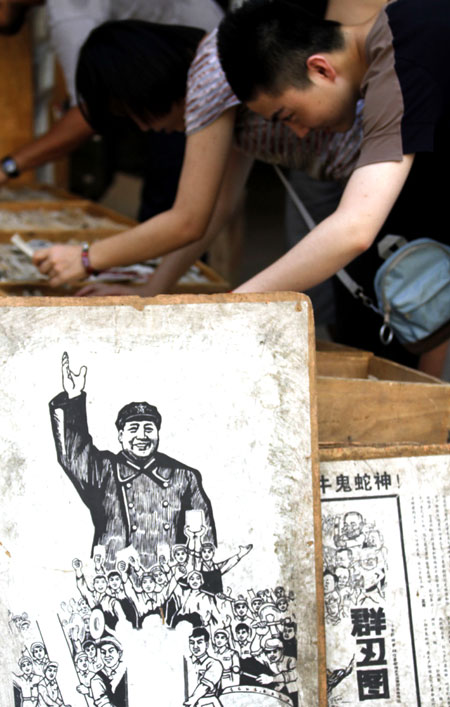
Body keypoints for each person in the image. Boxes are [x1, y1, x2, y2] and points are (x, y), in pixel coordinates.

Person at [32, 1, 379, 295]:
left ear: (139, 82)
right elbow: (216, 209)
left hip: (379, 171)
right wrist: (151, 291)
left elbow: (187, 221)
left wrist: (87, 258)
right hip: (362, 180)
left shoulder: (209, 76)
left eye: (131, 113)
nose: (144, 128)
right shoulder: (221, 79)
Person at [217, 0, 450, 372]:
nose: (299, 132)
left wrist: (231, 304)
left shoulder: (397, 64)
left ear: (321, 68)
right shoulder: (404, 26)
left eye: (288, 115)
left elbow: (355, 229)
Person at [0, 0, 223, 214]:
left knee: (171, 205)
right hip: (197, 65)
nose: (143, 127)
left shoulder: (69, 12)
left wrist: (8, 167)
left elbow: (86, 115)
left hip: (192, 77)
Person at [49, 351, 216, 569]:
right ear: (120, 436)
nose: (142, 436)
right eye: (134, 429)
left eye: (149, 429)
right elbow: (73, 454)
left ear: (158, 433)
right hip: (115, 579)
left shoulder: (184, 477)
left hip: (169, 580)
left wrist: (202, 582)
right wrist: (74, 399)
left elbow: (204, 539)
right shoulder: (104, 470)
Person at [185, 627, 223, 707]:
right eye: (192, 643)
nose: (195, 646)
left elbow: (204, 686)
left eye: (199, 642)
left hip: (207, 703)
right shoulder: (186, 662)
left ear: (207, 644)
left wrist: (192, 700)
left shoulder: (214, 664)